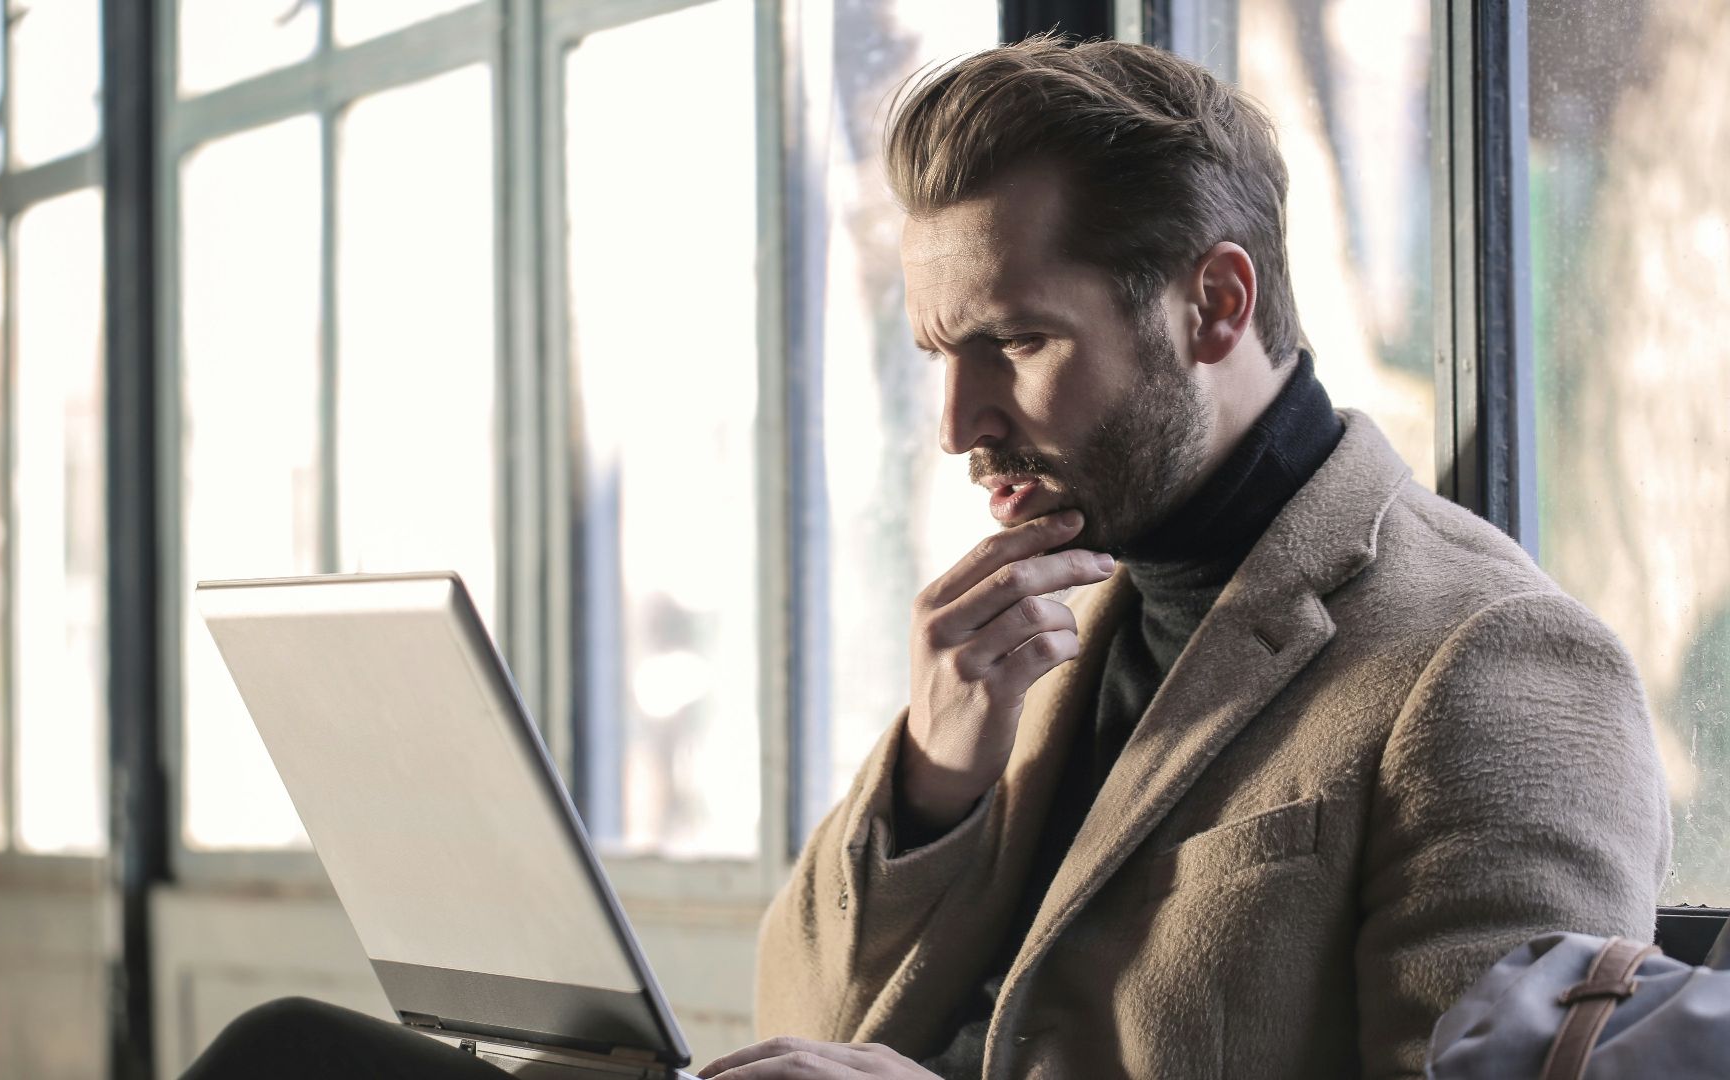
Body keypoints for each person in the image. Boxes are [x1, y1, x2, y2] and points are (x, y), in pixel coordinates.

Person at [183, 35, 1670, 1080]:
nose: (961, 423)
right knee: (293, 1056)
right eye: (940, 356)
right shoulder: (1049, 603)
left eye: (1017, 344)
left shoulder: (1490, 664)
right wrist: (940, 775)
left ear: (1214, 307)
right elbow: (797, 1011)